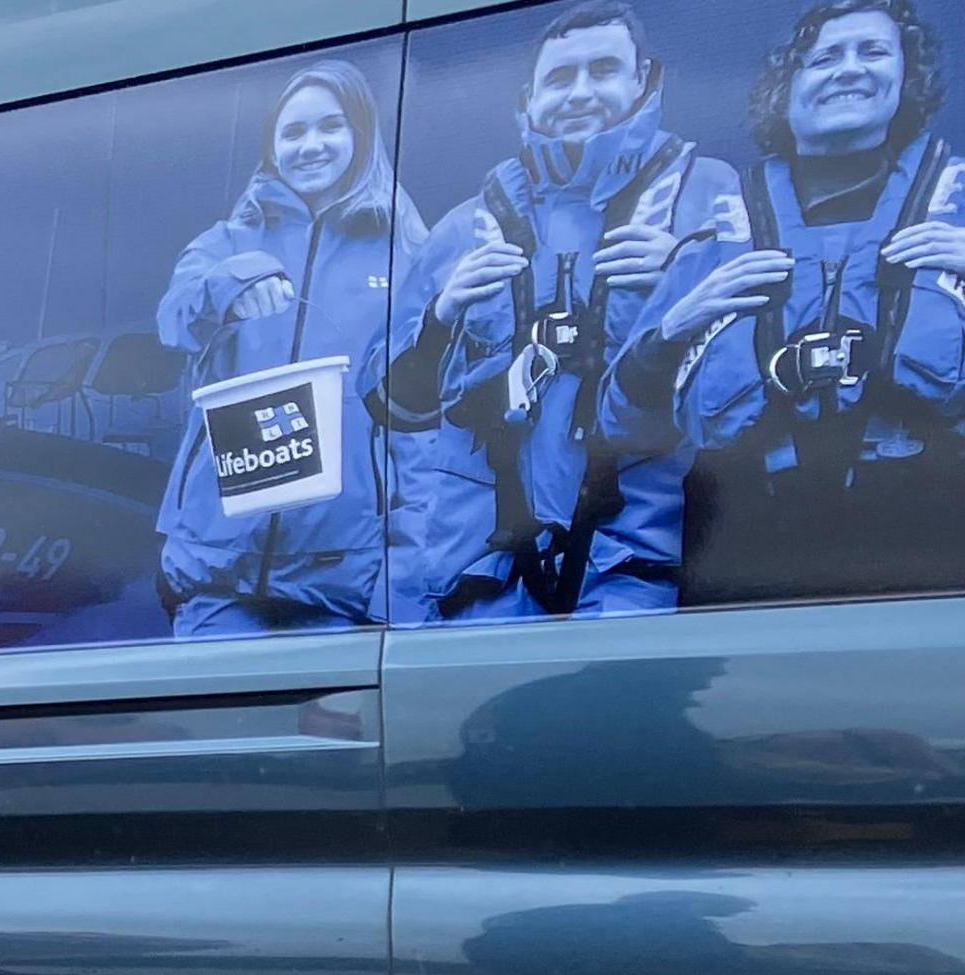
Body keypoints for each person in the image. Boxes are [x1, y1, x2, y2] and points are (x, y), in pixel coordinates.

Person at [380, 1, 743, 618]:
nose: (579, 92)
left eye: (602, 70)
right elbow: (391, 405)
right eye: (559, 77)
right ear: (527, 99)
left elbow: (757, 383)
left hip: (636, 574)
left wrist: (683, 269)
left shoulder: (710, 193)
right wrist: (440, 316)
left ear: (644, 80)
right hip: (479, 578)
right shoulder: (462, 228)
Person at [608, 0, 965, 605]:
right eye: (824, 57)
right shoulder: (714, 244)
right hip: (747, 581)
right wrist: (673, 328)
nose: (849, 69)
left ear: (907, 78)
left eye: (872, 51)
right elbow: (619, 425)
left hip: (937, 580)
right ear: (787, 86)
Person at [154, 60, 425, 637]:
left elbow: (424, 422)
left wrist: (400, 579)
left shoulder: (407, 248)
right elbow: (173, 319)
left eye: (330, 126)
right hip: (218, 573)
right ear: (272, 147)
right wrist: (231, 283)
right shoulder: (227, 239)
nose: (311, 145)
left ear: (361, 133)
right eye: (293, 132)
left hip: (345, 582)